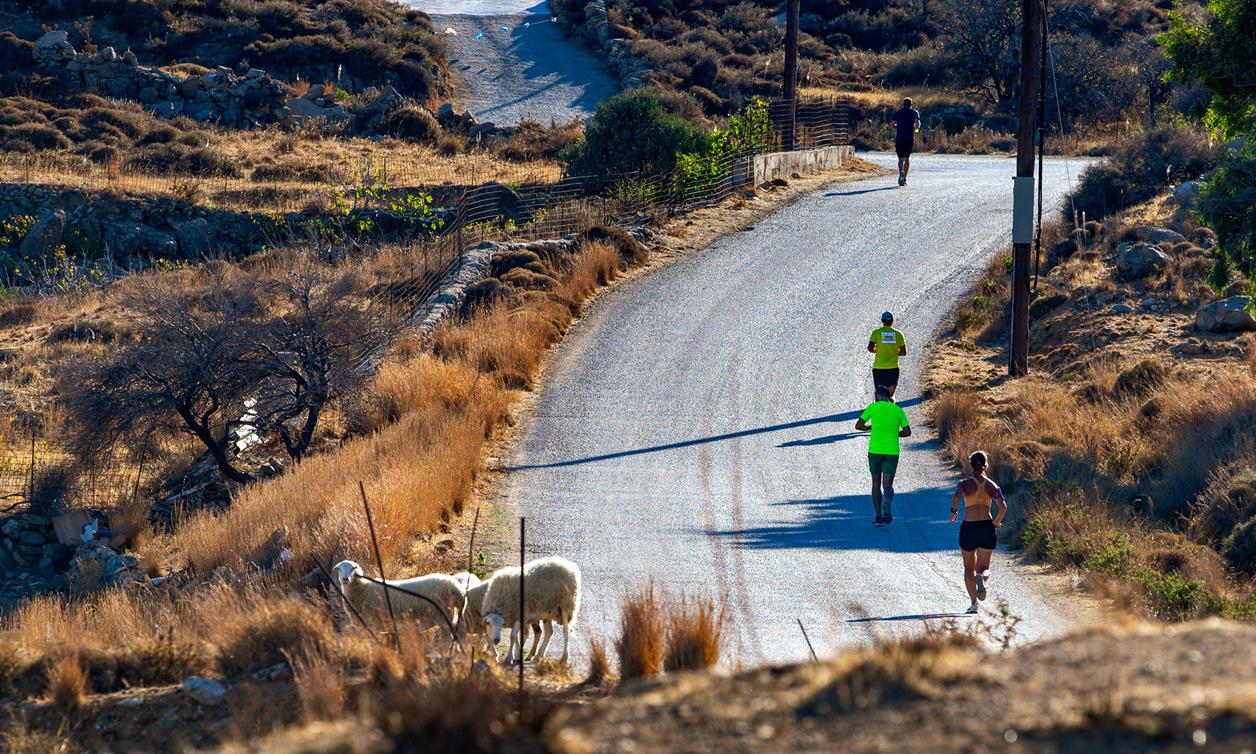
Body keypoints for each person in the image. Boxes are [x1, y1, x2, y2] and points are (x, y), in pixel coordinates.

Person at [949, 451, 1007, 614]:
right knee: (984, 567)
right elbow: (1003, 507)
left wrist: (954, 511)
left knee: (969, 568)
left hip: (969, 527)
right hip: (986, 527)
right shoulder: (992, 485)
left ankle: (974, 603)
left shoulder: (963, 484)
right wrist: (996, 522)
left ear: (970, 465)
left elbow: (956, 496)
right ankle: (982, 579)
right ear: (985, 465)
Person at [855, 386, 911, 525]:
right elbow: (907, 432)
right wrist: (895, 433)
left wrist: (870, 428)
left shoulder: (873, 408)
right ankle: (887, 501)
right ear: (889, 397)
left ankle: (878, 516)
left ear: (876, 396)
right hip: (892, 451)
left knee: (875, 482)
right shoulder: (898, 410)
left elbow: (858, 426)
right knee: (887, 484)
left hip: (875, 450)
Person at [867, 311, 907, 398]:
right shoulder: (899, 334)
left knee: (880, 394)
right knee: (890, 395)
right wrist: (894, 352)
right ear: (892, 321)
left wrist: (877, 351)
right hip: (893, 368)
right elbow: (904, 352)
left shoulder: (876, 333)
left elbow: (870, 348)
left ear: (882, 321)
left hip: (879, 368)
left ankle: (878, 409)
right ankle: (891, 407)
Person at [889, 97, 921, 186]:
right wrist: (916, 130)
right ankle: (905, 178)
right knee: (906, 158)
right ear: (911, 104)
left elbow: (891, 125)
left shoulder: (898, 112)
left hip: (899, 138)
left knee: (900, 159)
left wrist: (897, 126)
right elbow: (917, 125)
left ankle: (900, 174)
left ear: (903, 104)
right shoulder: (914, 112)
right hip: (909, 138)